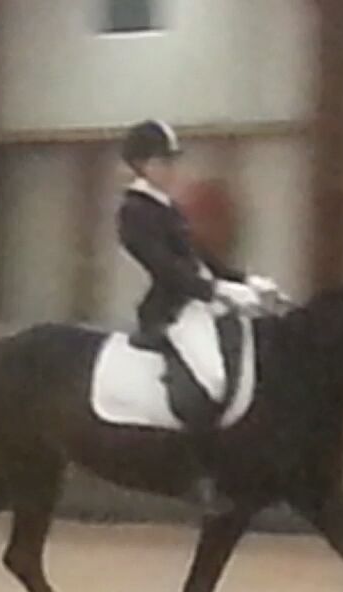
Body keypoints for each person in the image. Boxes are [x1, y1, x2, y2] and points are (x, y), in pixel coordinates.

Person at [116, 120, 281, 509]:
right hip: (172, 311)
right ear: (142, 164)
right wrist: (217, 291)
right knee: (213, 377)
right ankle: (197, 473)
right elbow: (166, 268)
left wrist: (247, 280)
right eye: (163, 161)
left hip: (200, 304)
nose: (172, 169)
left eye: (173, 161)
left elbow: (201, 258)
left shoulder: (168, 207)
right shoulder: (134, 212)